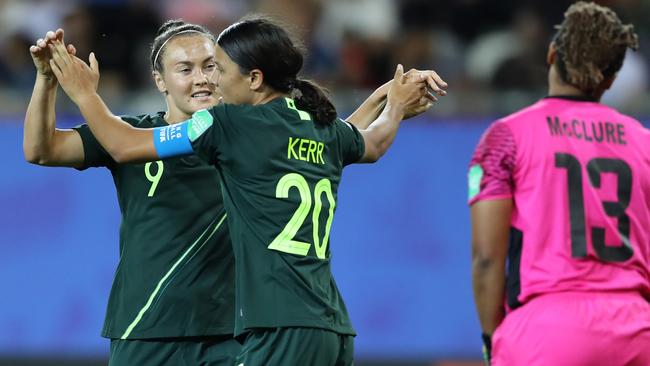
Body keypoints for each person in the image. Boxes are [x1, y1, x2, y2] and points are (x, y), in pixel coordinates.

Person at [47, 15, 438, 366]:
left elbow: (125, 145)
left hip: (277, 325)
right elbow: (372, 142)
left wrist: (83, 93)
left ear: (253, 78)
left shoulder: (227, 125)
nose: (210, 79)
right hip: (332, 325)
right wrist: (393, 103)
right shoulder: (320, 126)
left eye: (219, 68)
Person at [468, 2, 650, 365]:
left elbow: (487, 258)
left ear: (552, 53)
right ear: (610, 78)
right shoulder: (645, 142)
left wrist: (492, 338)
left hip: (546, 330)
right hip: (636, 328)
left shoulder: (506, 137)